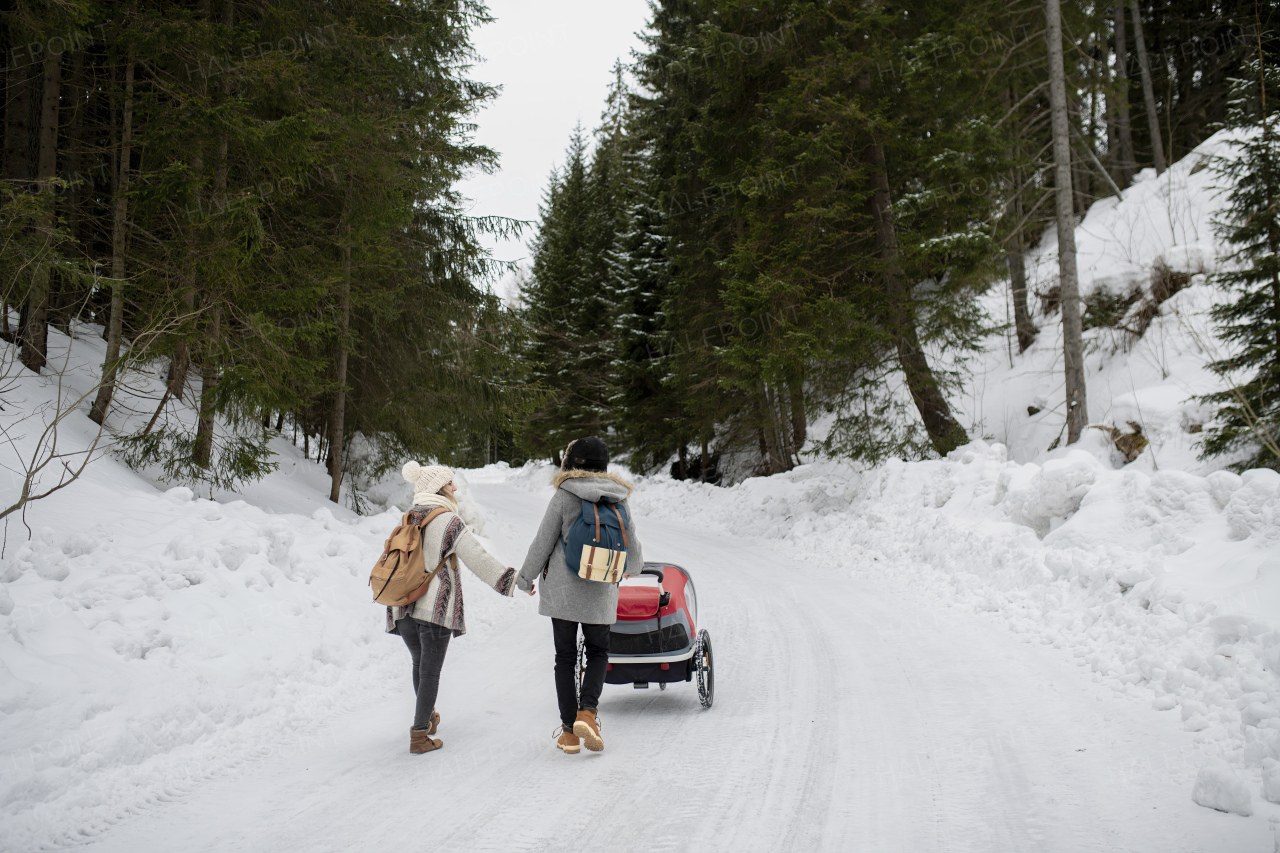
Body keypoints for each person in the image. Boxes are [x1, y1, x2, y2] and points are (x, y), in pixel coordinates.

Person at [516, 436, 642, 754]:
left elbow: (542, 541)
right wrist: (632, 568)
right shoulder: (619, 498)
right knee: (598, 653)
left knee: (565, 658)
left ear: (572, 463)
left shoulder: (564, 494)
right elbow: (634, 552)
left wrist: (525, 577)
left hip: (563, 590)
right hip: (601, 591)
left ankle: (570, 733)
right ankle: (588, 711)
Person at [387, 462, 520, 754]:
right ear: (438, 488)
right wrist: (510, 582)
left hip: (404, 606)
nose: (455, 488)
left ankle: (429, 717)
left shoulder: (408, 516)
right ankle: (419, 735)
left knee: (419, 666)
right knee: (430, 673)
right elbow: (477, 558)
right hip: (434, 607)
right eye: (450, 484)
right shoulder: (449, 521)